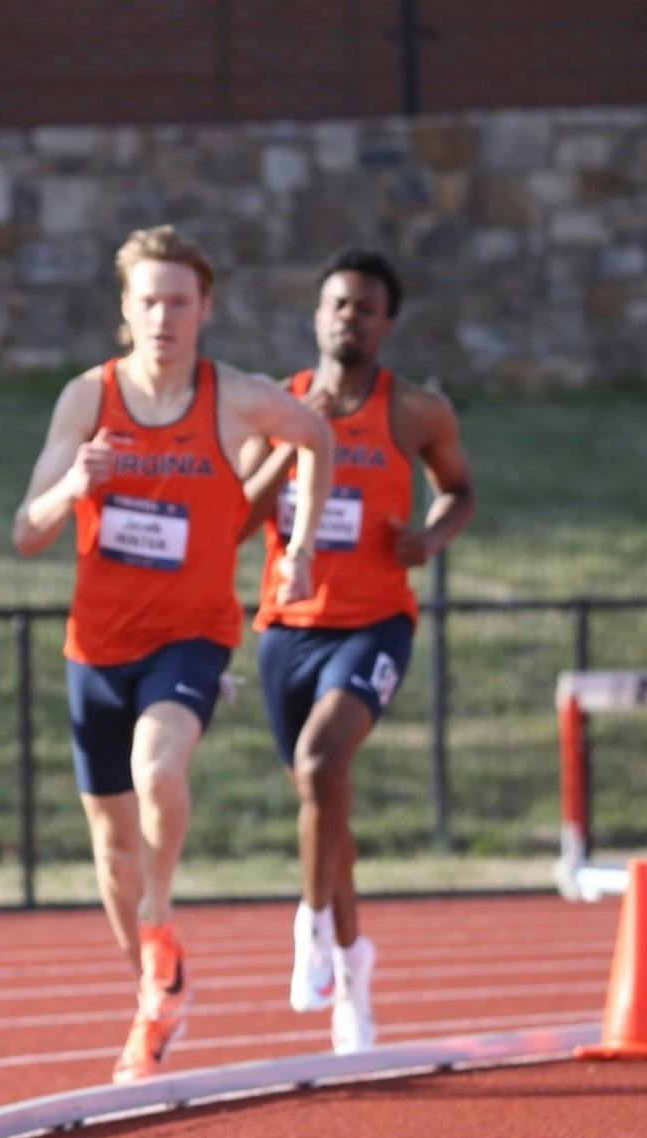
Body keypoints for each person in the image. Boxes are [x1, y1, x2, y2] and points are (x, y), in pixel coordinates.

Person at [11, 224, 336, 1083]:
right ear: (126, 309)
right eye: (148, 300)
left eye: (179, 302)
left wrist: (298, 542)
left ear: (205, 309)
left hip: (191, 637)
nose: (164, 317)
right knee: (112, 854)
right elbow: (25, 531)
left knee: (159, 772)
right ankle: (157, 987)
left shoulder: (234, 397)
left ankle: (161, 911)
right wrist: (76, 485)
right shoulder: (87, 398)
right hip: (97, 649)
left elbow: (318, 434)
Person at [237, 247, 476, 1053]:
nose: (351, 317)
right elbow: (235, 516)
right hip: (287, 628)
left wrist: (433, 535)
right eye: (339, 304)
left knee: (319, 764)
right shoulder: (279, 402)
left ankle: (309, 930)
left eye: (367, 307)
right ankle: (355, 970)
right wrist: (300, 441)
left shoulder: (414, 411)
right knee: (324, 799)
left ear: (387, 323)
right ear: (317, 315)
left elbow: (460, 487)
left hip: (375, 623)